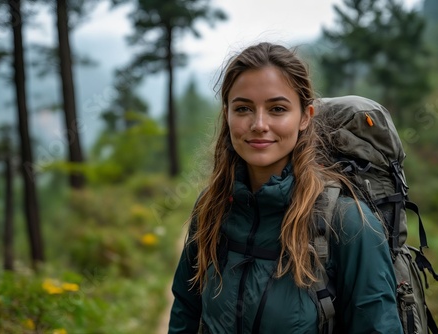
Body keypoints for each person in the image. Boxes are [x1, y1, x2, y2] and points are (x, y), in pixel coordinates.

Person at [168, 42, 403, 333]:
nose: (259, 124)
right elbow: (186, 310)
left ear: (305, 116)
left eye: (277, 109)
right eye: (243, 108)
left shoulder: (349, 223)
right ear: (227, 113)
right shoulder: (212, 208)